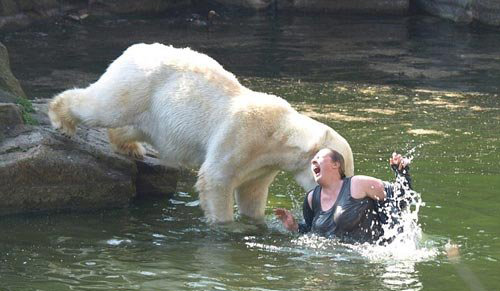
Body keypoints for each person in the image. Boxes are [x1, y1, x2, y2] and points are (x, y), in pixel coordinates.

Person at [274, 148, 414, 244]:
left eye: (318, 157)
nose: (312, 162)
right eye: (312, 160)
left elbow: (400, 198)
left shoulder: (359, 184)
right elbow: (310, 232)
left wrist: (402, 173)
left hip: (368, 261)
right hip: (331, 264)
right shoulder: (311, 199)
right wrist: (294, 227)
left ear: (336, 164)